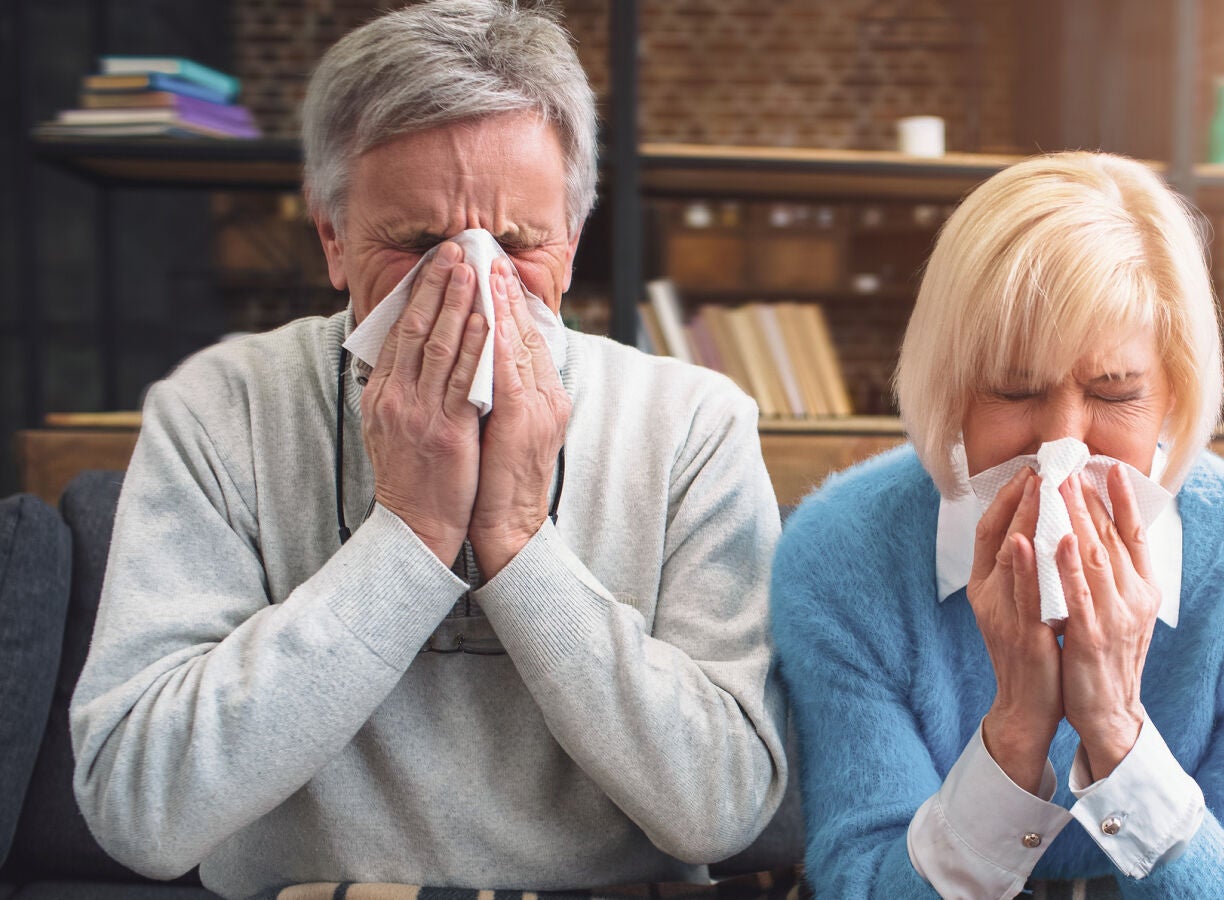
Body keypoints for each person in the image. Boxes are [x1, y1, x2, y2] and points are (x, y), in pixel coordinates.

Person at [69, 2, 786, 897]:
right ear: (332, 238)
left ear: (572, 243)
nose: (473, 284)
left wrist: (521, 541)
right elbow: (140, 810)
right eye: (415, 244)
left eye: (518, 245)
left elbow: (720, 807)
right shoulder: (220, 411)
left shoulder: (692, 422)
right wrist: (409, 531)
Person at [771, 151, 1224, 899]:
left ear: (1176, 393)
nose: (1062, 445)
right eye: (1014, 389)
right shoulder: (840, 554)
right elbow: (861, 884)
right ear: (949, 390)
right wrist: (1017, 729)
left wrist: (1117, 730)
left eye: (1115, 393)